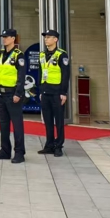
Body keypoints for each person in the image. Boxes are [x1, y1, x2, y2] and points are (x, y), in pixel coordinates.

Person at [0, 28, 26, 163]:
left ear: (13, 39)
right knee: (3, 124)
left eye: (6, 37)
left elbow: (21, 76)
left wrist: (18, 93)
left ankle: (19, 153)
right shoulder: (0, 54)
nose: (4, 39)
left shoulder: (18, 55)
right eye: (3, 37)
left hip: (12, 94)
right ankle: (5, 151)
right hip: (1, 94)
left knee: (17, 125)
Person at [38, 29, 71, 158]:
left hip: (57, 93)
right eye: (45, 37)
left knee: (59, 121)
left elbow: (65, 75)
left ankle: (58, 146)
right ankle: (49, 145)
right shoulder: (42, 55)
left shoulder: (61, 55)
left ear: (55, 39)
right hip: (45, 92)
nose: (46, 39)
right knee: (47, 121)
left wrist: (63, 92)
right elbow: (41, 73)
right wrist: (40, 90)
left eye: (49, 37)